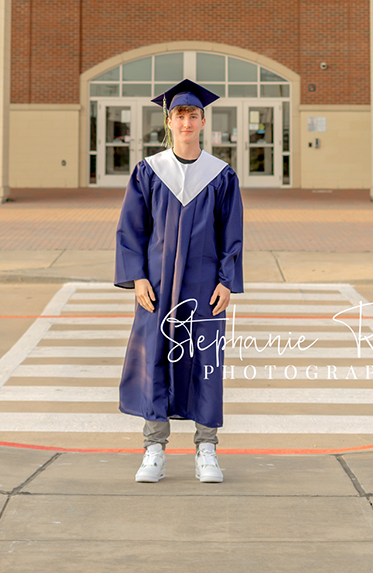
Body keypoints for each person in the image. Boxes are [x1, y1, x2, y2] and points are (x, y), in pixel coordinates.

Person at [114, 78, 244, 484]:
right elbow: (131, 230)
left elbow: (231, 234)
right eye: (179, 115)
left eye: (192, 115)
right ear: (168, 122)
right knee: (154, 359)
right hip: (156, 286)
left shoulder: (220, 175)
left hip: (204, 288)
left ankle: (207, 450)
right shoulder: (149, 171)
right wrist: (136, 277)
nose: (186, 122)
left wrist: (227, 281)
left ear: (203, 121)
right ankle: (154, 449)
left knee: (206, 363)